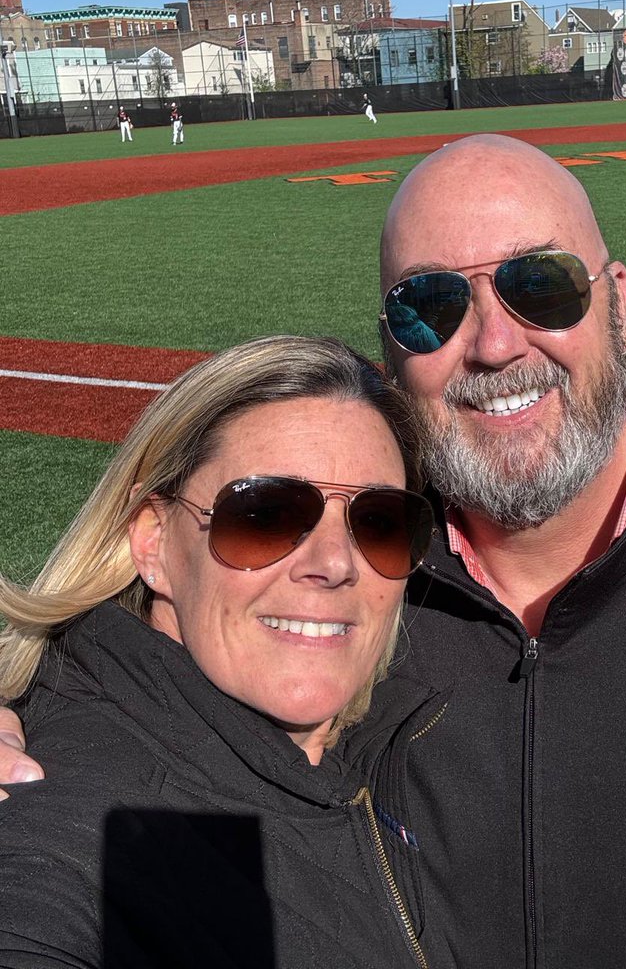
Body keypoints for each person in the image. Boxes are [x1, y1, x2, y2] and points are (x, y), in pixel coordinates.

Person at [2, 135, 626, 967]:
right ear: (393, 348)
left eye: (541, 286)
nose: (495, 343)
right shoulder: (339, 581)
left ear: (618, 301)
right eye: (431, 305)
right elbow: (103, 688)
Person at [0, 335, 442, 968]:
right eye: (265, 514)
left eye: (380, 522)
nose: (337, 564)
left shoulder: (402, 728)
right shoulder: (77, 825)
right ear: (153, 542)